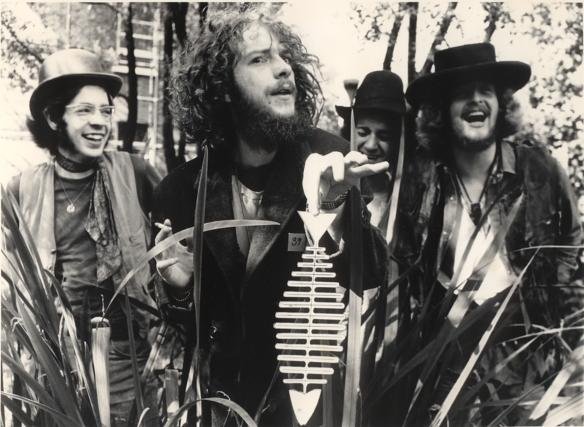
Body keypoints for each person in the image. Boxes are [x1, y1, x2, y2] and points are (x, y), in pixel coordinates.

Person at [152, 10, 390, 426]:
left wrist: (333, 207)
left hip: (309, 399)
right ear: (223, 88)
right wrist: (179, 289)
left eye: (283, 56)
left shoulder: (329, 158)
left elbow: (371, 272)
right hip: (224, 405)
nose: (283, 69)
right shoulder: (181, 190)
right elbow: (189, 328)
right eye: (259, 59)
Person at [396, 42, 583, 424]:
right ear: (442, 111)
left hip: (531, 365)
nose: (476, 100)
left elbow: (574, 258)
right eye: (462, 93)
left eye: (486, 91)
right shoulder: (421, 181)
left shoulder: (540, 171)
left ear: (500, 104)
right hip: (446, 370)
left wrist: (573, 354)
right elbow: (401, 274)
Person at [8, 48, 161, 426]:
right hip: (55, 360)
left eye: (106, 111)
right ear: (53, 117)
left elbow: (175, 256)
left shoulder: (136, 174)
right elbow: (11, 280)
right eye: (84, 110)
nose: (99, 122)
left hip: (126, 357)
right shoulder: (22, 189)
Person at [335, 70, 406, 237]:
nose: (371, 145)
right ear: (350, 132)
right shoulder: (333, 187)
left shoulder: (412, 199)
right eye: (363, 132)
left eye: (384, 136)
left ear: (396, 142)